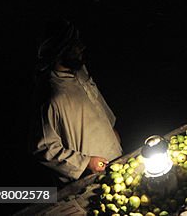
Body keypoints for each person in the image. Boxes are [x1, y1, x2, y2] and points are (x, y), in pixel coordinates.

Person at [32, 20, 123, 183]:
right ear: (60, 49)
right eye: (75, 44)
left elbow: (97, 103)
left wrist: (112, 128)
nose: (82, 47)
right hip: (91, 173)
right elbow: (44, 147)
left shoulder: (80, 72)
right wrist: (86, 162)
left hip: (116, 156)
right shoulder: (52, 95)